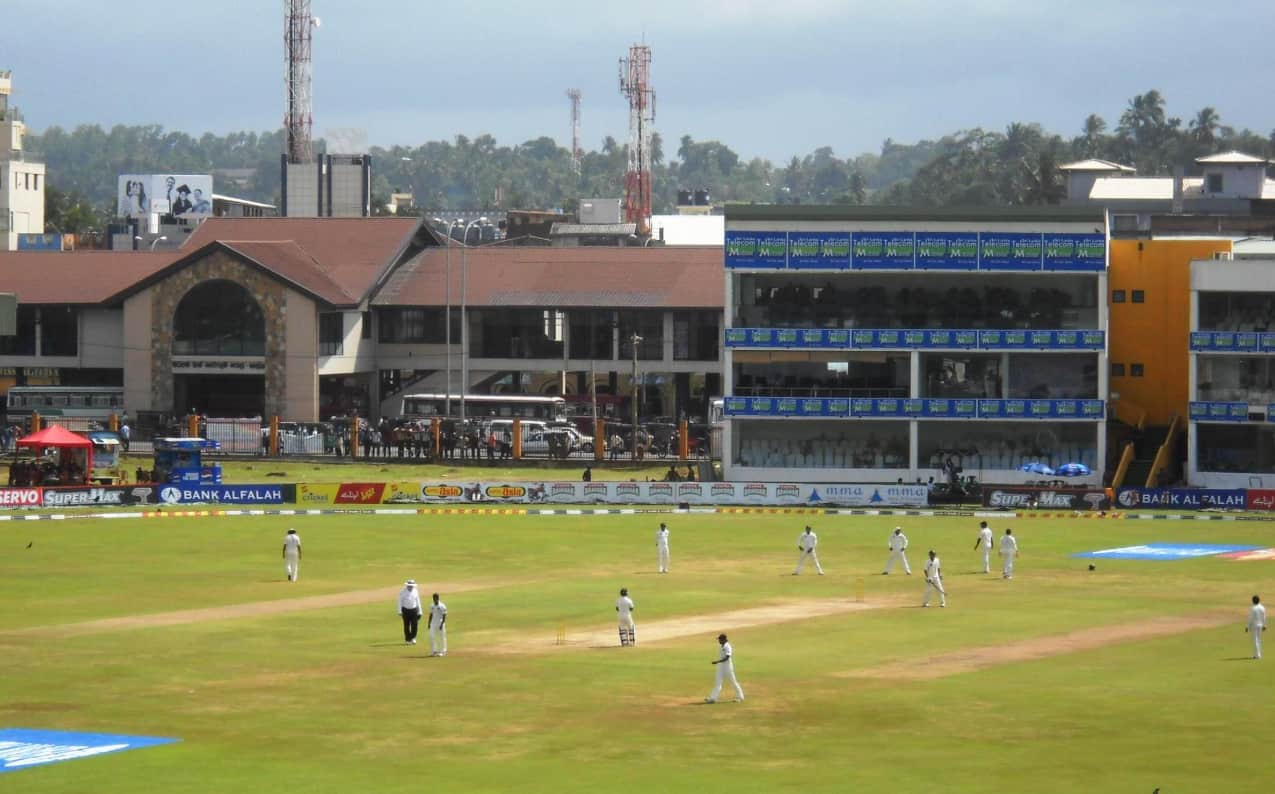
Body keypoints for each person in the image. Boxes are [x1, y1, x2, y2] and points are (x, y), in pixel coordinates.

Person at [706, 633, 744, 703]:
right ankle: (713, 698)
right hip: (720, 667)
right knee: (717, 683)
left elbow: (727, 657)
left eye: (720, 639)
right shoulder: (721, 646)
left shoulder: (728, 646)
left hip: (728, 667)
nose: (719, 641)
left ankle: (740, 697)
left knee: (733, 682)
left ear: (724, 639)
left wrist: (717, 661)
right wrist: (718, 663)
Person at [398, 580, 422, 645]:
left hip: (414, 610)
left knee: (415, 625)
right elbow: (400, 601)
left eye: (412, 586)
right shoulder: (402, 592)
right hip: (405, 610)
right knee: (406, 625)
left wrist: (420, 611)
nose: (410, 587)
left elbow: (418, 601)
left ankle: (413, 637)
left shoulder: (415, 591)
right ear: (407, 585)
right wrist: (399, 611)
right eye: (409, 586)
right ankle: (407, 639)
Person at [428, 592, 448, 657]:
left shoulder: (442, 606)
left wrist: (442, 624)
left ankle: (443, 651)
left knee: (442, 637)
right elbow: (431, 614)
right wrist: (429, 623)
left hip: (440, 622)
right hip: (433, 623)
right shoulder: (432, 605)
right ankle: (434, 651)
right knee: (431, 636)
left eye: (436, 598)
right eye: (434, 598)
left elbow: (444, 615)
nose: (435, 599)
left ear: (438, 598)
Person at [1248, 595, 1267, 660]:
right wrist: (1264, 625)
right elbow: (1264, 617)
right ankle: (1258, 654)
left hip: (1254, 625)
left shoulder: (1253, 608)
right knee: (1259, 639)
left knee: (1255, 640)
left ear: (1254, 600)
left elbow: (1250, 618)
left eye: (1252, 600)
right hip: (1260, 625)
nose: (1252, 601)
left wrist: (1248, 626)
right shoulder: (1262, 607)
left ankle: (1257, 655)